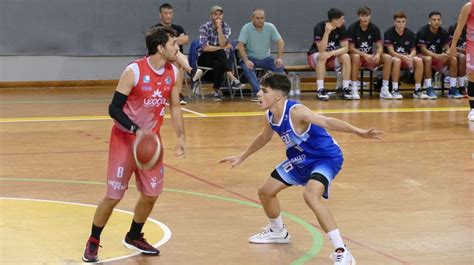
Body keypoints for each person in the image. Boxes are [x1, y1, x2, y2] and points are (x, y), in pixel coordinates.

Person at [220, 73, 382, 265]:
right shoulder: (270, 115)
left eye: (264, 91)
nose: (258, 94)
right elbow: (264, 137)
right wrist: (242, 156)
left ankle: (342, 251)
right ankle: (278, 232)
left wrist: (359, 132)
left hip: (325, 158)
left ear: (278, 96)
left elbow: (327, 121)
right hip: (300, 159)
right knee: (265, 192)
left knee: (311, 195)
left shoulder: (297, 112)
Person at [82, 26, 186, 262]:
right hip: (125, 139)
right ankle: (93, 241)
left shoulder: (173, 73)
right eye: (173, 44)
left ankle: (134, 235)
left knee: (151, 194)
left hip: (150, 143)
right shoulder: (134, 71)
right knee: (114, 196)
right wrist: (136, 130)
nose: (177, 48)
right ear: (160, 48)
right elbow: (114, 108)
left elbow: (176, 107)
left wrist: (181, 137)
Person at [154, 3, 203, 105]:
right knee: (176, 55)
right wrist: (175, 40)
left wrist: (171, 40)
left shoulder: (178, 28)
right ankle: (190, 71)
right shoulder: (156, 29)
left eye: (170, 13)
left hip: (176, 58)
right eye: (165, 13)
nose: (168, 15)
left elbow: (186, 39)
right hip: (162, 57)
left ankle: (178, 94)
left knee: (178, 62)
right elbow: (157, 44)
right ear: (160, 15)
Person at [198, 5, 245, 101]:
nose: (218, 17)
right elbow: (205, 47)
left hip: (219, 59)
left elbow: (223, 42)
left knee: (218, 63)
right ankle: (233, 78)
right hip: (205, 58)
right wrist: (221, 47)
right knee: (220, 51)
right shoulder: (205, 27)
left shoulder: (226, 27)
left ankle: (216, 92)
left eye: (220, 14)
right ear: (211, 16)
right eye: (215, 14)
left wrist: (219, 29)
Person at [237, 9, 285, 101]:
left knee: (279, 67)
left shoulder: (270, 27)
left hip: (266, 58)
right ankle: (258, 93)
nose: (260, 20)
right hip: (251, 58)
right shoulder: (246, 28)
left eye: (262, 18)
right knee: (248, 67)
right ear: (252, 18)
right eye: (257, 18)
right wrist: (246, 60)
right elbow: (240, 45)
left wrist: (279, 58)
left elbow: (281, 42)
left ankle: (279, 92)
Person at [347, 6, 394, 99]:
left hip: (370, 56)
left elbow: (379, 46)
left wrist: (377, 54)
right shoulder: (352, 28)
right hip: (358, 56)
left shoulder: (374, 28)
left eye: (367, 16)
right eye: (362, 16)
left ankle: (384, 88)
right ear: (358, 17)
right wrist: (364, 55)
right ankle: (354, 88)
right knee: (355, 56)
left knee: (388, 58)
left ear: (370, 16)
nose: (365, 18)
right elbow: (351, 48)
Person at [307, 8, 352, 101]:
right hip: (315, 56)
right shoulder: (319, 27)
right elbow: (321, 49)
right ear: (334, 20)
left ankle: (345, 88)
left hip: (330, 57)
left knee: (346, 56)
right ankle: (320, 89)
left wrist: (331, 53)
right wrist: (327, 33)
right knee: (322, 56)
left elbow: (345, 48)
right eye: (341, 19)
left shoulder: (342, 27)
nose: (343, 21)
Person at [417, 11, 463, 99]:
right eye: (434, 20)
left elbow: (447, 47)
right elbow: (423, 50)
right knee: (428, 59)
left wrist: (449, 52)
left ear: (441, 21)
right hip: (423, 57)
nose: (436, 21)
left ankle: (452, 89)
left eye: (438, 19)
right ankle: (429, 88)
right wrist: (437, 56)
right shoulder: (422, 31)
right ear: (429, 21)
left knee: (453, 59)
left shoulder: (443, 32)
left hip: (437, 57)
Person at [384, 11, 425, 99]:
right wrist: (403, 57)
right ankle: (395, 89)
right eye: (398, 22)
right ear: (394, 22)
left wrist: (410, 56)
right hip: (395, 58)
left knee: (419, 60)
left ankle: (417, 90)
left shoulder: (410, 33)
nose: (401, 24)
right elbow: (391, 52)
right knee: (397, 60)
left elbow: (413, 50)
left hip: (407, 57)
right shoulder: (389, 33)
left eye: (403, 22)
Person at [449, 1, 474, 121]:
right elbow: (459, 27)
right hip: (472, 44)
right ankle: (473, 109)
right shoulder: (469, 7)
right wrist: (453, 46)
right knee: (473, 76)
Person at [448, 22, 468, 96]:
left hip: (470, 53)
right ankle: (461, 87)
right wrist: (465, 51)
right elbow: (450, 46)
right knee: (462, 57)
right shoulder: (454, 28)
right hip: (457, 52)